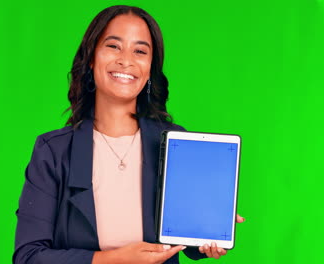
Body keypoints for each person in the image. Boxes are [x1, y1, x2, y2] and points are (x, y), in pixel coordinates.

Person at [13, 5, 245, 264]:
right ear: (91, 58)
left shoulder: (175, 143)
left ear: (149, 69)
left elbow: (187, 243)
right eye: (113, 46)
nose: (126, 60)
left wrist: (207, 226)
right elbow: (28, 257)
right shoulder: (53, 151)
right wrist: (112, 259)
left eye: (140, 51)